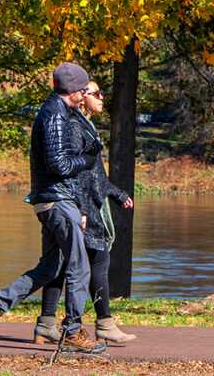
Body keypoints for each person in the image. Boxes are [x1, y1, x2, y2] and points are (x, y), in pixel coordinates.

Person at [0, 61, 107, 354]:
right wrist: (88, 159)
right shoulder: (55, 116)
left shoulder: (58, 112)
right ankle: (72, 331)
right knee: (79, 266)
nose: (86, 93)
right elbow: (58, 164)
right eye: (84, 88)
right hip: (57, 200)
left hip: (51, 200)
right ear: (73, 89)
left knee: (50, 266)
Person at [33, 80, 137, 345]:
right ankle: (104, 323)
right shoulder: (77, 125)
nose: (102, 98)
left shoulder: (82, 125)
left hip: (80, 203)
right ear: (82, 97)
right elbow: (80, 173)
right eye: (96, 93)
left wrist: (115, 193)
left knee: (59, 264)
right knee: (97, 262)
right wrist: (83, 206)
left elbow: (94, 172)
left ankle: (45, 323)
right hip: (81, 205)